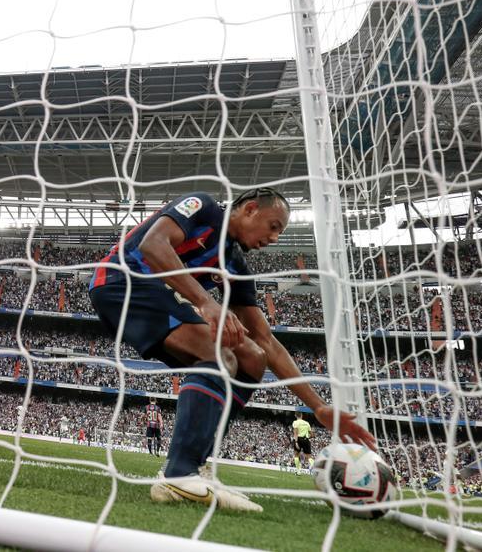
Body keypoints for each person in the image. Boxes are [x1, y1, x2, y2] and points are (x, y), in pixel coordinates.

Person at [88, 188, 375, 512]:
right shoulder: (204, 208)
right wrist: (205, 302)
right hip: (120, 280)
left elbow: (267, 341)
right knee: (219, 356)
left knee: (252, 357)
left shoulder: (236, 266)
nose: (276, 237)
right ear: (251, 209)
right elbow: (152, 245)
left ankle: (194, 467)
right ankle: (179, 474)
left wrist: (318, 407)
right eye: (274, 226)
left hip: (155, 296)